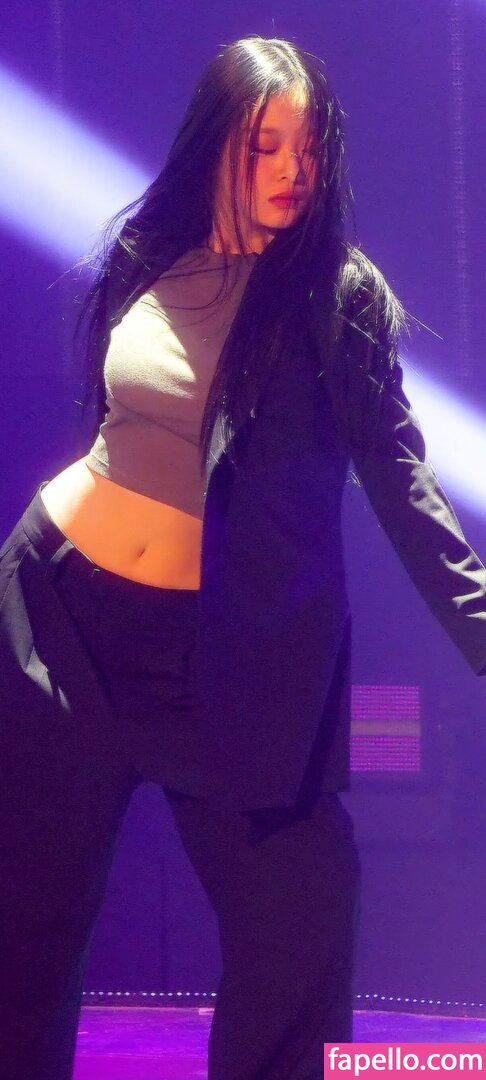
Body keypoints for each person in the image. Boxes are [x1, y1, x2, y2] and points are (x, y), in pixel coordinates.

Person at [1, 33, 485, 1080]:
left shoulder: (336, 297)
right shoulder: (150, 248)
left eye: (310, 148)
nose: (292, 170)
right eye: (266, 144)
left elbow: (401, 476)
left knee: (303, 905)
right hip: (57, 617)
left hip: (216, 663)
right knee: (21, 931)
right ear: (217, 140)